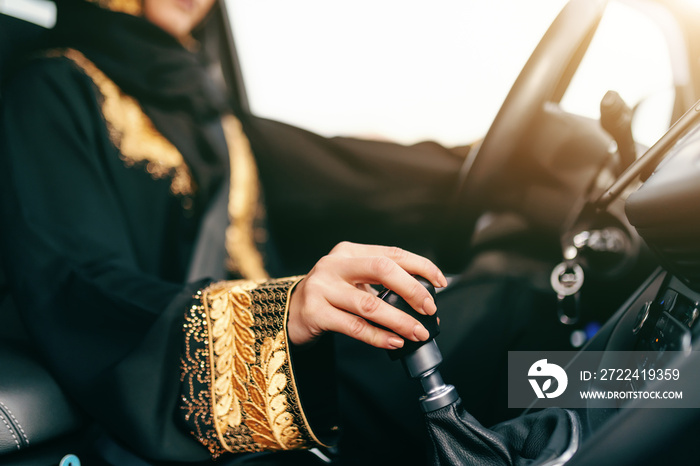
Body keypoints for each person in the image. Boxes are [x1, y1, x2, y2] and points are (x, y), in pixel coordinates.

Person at [0, 0, 489, 464]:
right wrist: (279, 315)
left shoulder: (202, 102)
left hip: (298, 373)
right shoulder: (50, 89)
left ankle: (562, 393)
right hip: (169, 403)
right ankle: (561, 390)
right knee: (499, 329)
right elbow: (74, 284)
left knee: (502, 311)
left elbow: (351, 175)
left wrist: (507, 161)